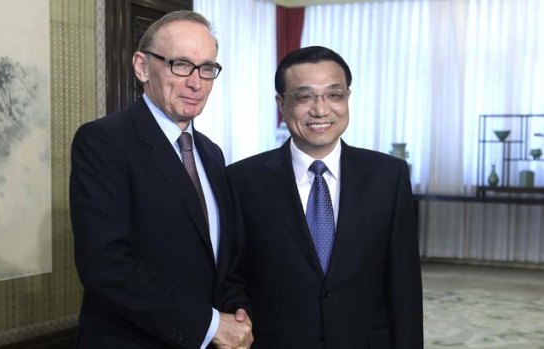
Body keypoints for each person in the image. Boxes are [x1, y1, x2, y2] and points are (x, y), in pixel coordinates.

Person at [69, 10, 252, 349]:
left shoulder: (211, 154)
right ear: (142, 67)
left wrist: (238, 316)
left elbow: (224, 261)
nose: (196, 82)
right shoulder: (104, 142)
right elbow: (105, 265)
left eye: (207, 68)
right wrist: (210, 326)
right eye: (180, 65)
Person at [227, 46, 423, 348]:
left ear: (347, 98)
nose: (321, 110)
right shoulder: (242, 180)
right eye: (304, 97)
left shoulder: (388, 176)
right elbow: (232, 278)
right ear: (282, 104)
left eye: (334, 95)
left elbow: (404, 287)